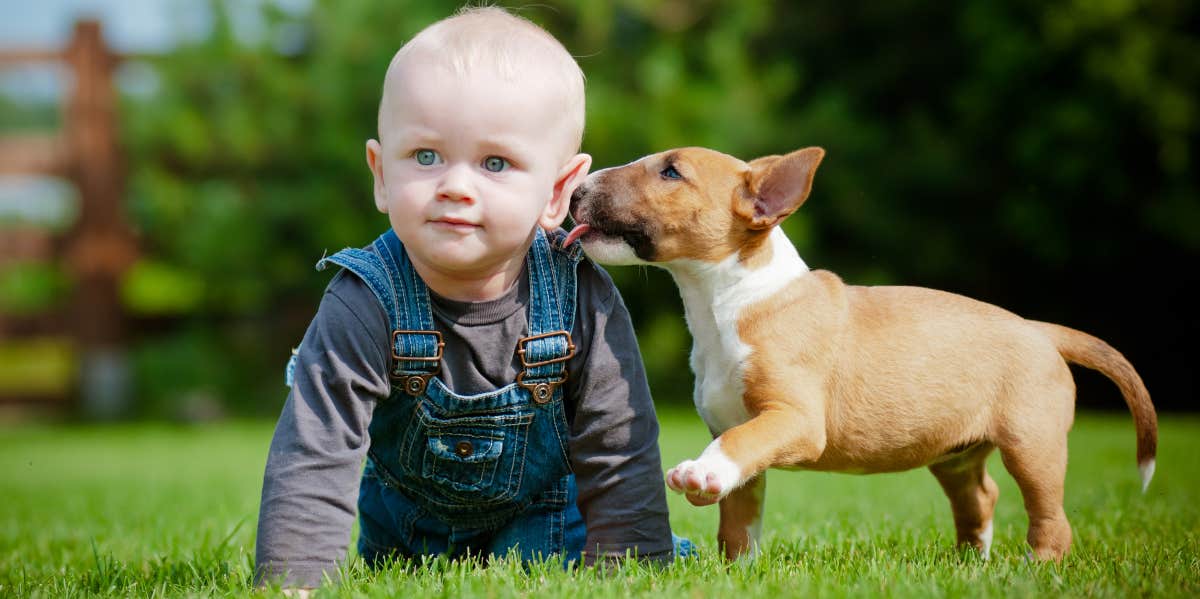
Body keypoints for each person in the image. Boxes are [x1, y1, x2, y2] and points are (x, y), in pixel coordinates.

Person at [254, 6, 687, 590]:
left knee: (670, 556)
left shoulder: (580, 295)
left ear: (558, 191)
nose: (455, 186)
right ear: (381, 174)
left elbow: (619, 448)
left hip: (556, 540)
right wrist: (297, 583)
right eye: (425, 156)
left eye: (494, 163)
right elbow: (316, 452)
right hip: (408, 554)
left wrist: (635, 569)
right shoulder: (364, 301)